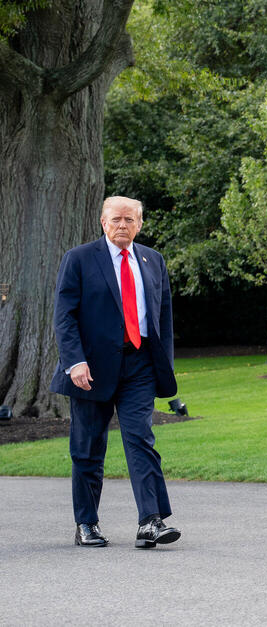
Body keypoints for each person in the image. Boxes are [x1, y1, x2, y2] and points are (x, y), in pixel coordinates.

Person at [50, 196, 180, 549]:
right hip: (90, 368)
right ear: (103, 222)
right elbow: (64, 314)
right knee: (89, 448)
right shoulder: (79, 259)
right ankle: (86, 523)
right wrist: (74, 361)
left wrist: (161, 365)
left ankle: (151, 521)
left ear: (140, 224)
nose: (122, 225)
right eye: (116, 219)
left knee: (140, 438)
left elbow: (162, 317)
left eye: (129, 219)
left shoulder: (152, 260)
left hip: (138, 363)